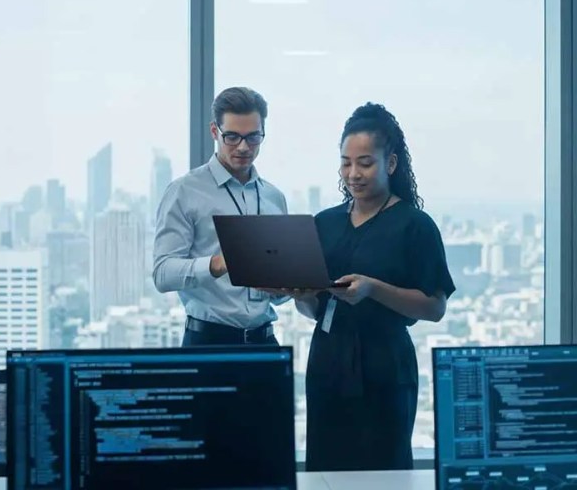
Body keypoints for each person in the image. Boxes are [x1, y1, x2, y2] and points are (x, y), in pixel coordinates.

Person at [295, 102, 455, 471]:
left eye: (365, 162)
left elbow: (434, 307)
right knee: (325, 471)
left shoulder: (415, 225)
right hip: (327, 361)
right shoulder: (325, 223)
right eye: (346, 162)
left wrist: (373, 288)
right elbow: (315, 310)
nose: (353, 173)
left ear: (391, 164)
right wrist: (302, 298)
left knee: (384, 470)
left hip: (384, 367)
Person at [152, 86, 289, 346]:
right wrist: (219, 263)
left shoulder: (274, 197)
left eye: (253, 137)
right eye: (232, 137)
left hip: (265, 340)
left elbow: (278, 294)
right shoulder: (184, 191)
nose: (243, 147)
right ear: (215, 131)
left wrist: (290, 286)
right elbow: (162, 273)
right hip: (209, 342)